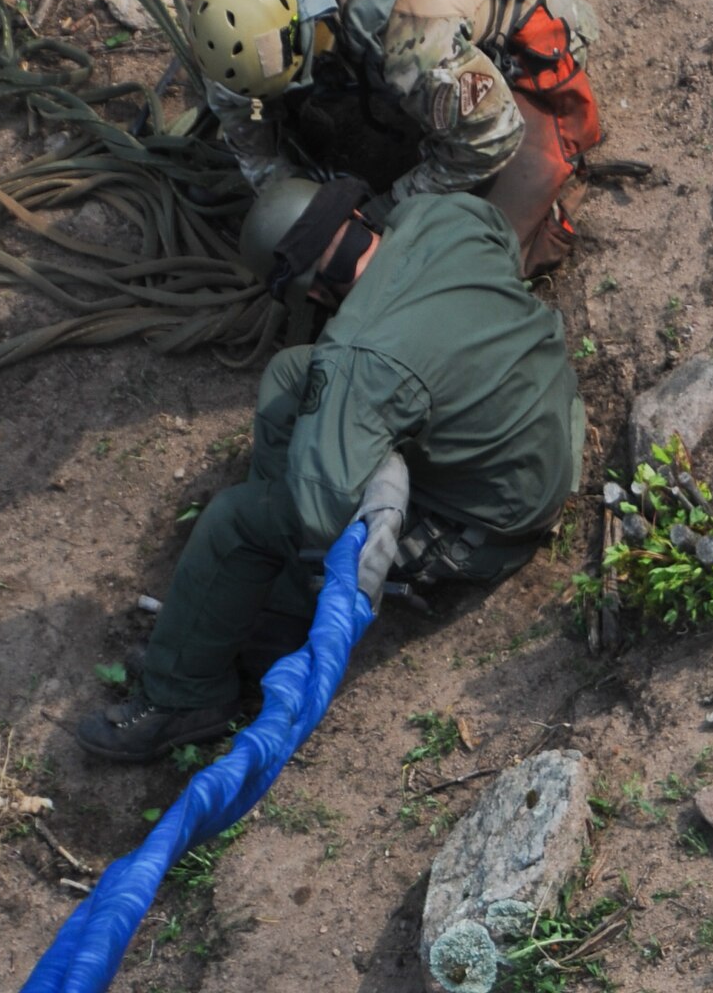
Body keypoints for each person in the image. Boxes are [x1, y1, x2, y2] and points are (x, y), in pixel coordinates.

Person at [78, 178, 585, 762]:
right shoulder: (442, 218)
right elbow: (500, 237)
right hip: (552, 428)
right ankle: (271, 625)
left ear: (313, 293)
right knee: (293, 375)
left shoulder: (358, 357)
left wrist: (318, 453)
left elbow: (320, 511)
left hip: (491, 526)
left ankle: (181, 698)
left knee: (236, 522)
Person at [186, 0, 603, 274]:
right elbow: (232, 94)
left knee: (495, 237)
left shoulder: (415, 40)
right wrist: (277, 184)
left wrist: (390, 207)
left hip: (528, 24)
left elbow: (493, 137)